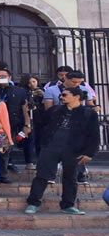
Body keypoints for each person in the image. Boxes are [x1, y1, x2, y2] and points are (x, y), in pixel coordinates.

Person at [25, 86, 100, 215]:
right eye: (61, 95)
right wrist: (34, 109)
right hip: (51, 147)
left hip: (73, 149)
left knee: (71, 177)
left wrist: (89, 153)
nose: (61, 97)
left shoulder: (88, 113)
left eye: (65, 95)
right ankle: (33, 203)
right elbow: (41, 123)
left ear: (76, 96)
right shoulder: (55, 110)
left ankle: (68, 205)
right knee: (42, 175)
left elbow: (94, 134)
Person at [43, 71, 98, 184]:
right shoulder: (52, 90)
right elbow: (48, 109)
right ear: (66, 78)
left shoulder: (84, 89)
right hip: (60, 123)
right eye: (73, 82)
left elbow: (90, 104)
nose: (76, 84)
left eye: (79, 82)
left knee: (77, 150)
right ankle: (50, 174)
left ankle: (79, 174)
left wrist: (95, 108)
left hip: (78, 123)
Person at [0, 68, 30, 183]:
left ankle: (3, 175)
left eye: (3, 76)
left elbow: (25, 108)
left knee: (5, 150)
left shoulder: (19, 91)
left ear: (10, 77)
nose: (0, 78)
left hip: (11, 124)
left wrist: (27, 125)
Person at [19, 75, 45, 169]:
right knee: (29, 140)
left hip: (40, 118)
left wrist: (42, 95)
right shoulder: (23, 92)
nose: (32, 84)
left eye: (34, 81)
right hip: (28, 118)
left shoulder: (43, 91)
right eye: (29, 83)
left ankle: (41, 161)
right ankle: (29, 162)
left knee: (40, 140)